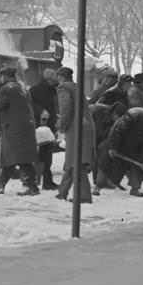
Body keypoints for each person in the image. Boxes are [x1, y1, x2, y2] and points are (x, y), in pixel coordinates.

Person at [0, 65, 40, 196]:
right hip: (25, 127)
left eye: (1, 76)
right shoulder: (23, 89)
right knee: (13, 156)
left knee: (17, 157)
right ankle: (1, 185)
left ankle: (32, 187)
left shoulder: (6, 89)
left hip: (13, 128)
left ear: (5, 77)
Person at [55, 67, 94, 203]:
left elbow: (65, 108)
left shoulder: (63, 88)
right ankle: (62, 192)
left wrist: (61, 125)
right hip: (85, 125)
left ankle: (84, 196)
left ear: (60, 77)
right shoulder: (76, 87)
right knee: (73, 160)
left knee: (77, 161)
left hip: (76, 128)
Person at [108, 106, 143, 197]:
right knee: (116, 166)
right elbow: (118, 130)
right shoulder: (133, 116)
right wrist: (113, 147)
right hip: (121, 142)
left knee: (138, 167)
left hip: (137, 145)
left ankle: (135, 189)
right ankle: (105, 185)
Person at [29, 68, 59, 189]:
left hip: (49, 126)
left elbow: (54, 107)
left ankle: (46, 180)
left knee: (47, 155)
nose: (54, 83)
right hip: (38, 127)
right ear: (47, 79)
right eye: (52, 80)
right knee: (40, 155)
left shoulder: (52, 90)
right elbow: (30, 105)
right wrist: (41, 110)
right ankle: (37, 180)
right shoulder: (35, 90)